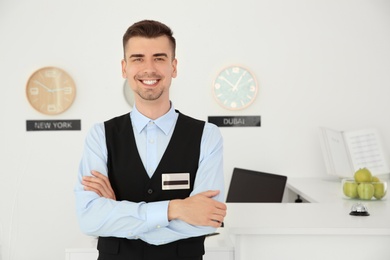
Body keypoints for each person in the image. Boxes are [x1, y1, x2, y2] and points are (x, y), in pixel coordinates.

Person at [74, 20, 227, 260]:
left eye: (159, 58)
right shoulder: (100, 135)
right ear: (124, 68)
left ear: (173, 67)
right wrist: (175, 209)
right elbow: (90, 219)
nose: (149, 68)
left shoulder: (207, 135)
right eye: (137, 58)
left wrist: (120, 215)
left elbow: (207, 221)